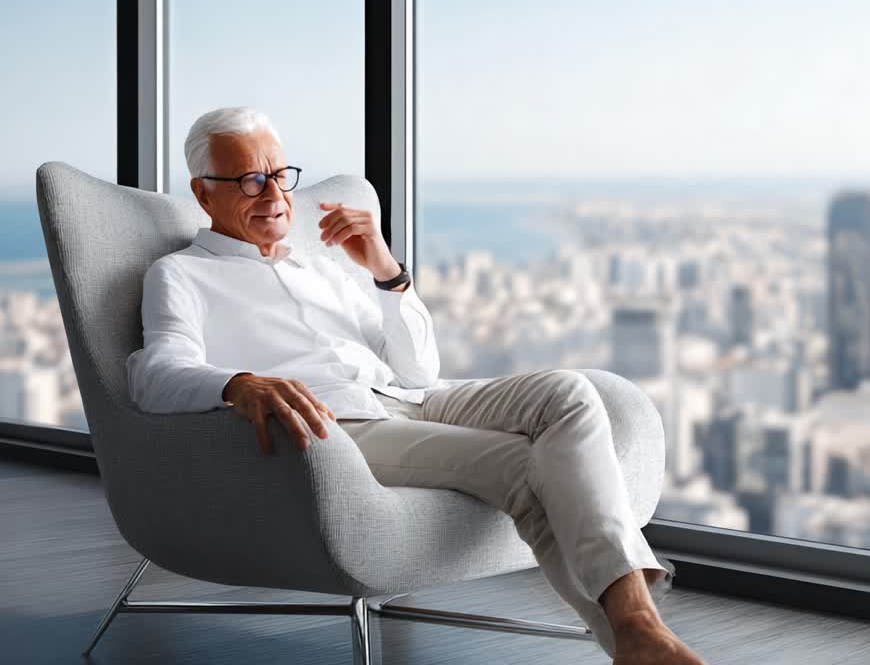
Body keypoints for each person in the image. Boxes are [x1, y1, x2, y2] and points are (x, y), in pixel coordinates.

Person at [124, 106, 705, 664]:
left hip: (413, 399)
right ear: (204, 193)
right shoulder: (182, 274)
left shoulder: (321, 266)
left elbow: (417, 371)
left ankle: (639, 641)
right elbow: (154, 372)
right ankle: (640, 632)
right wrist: (238, 384)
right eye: (251, 181)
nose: (274, 195)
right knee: (527, 466)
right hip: (341, 426)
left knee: (568, 392)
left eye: (279, 175)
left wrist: (385, 270)